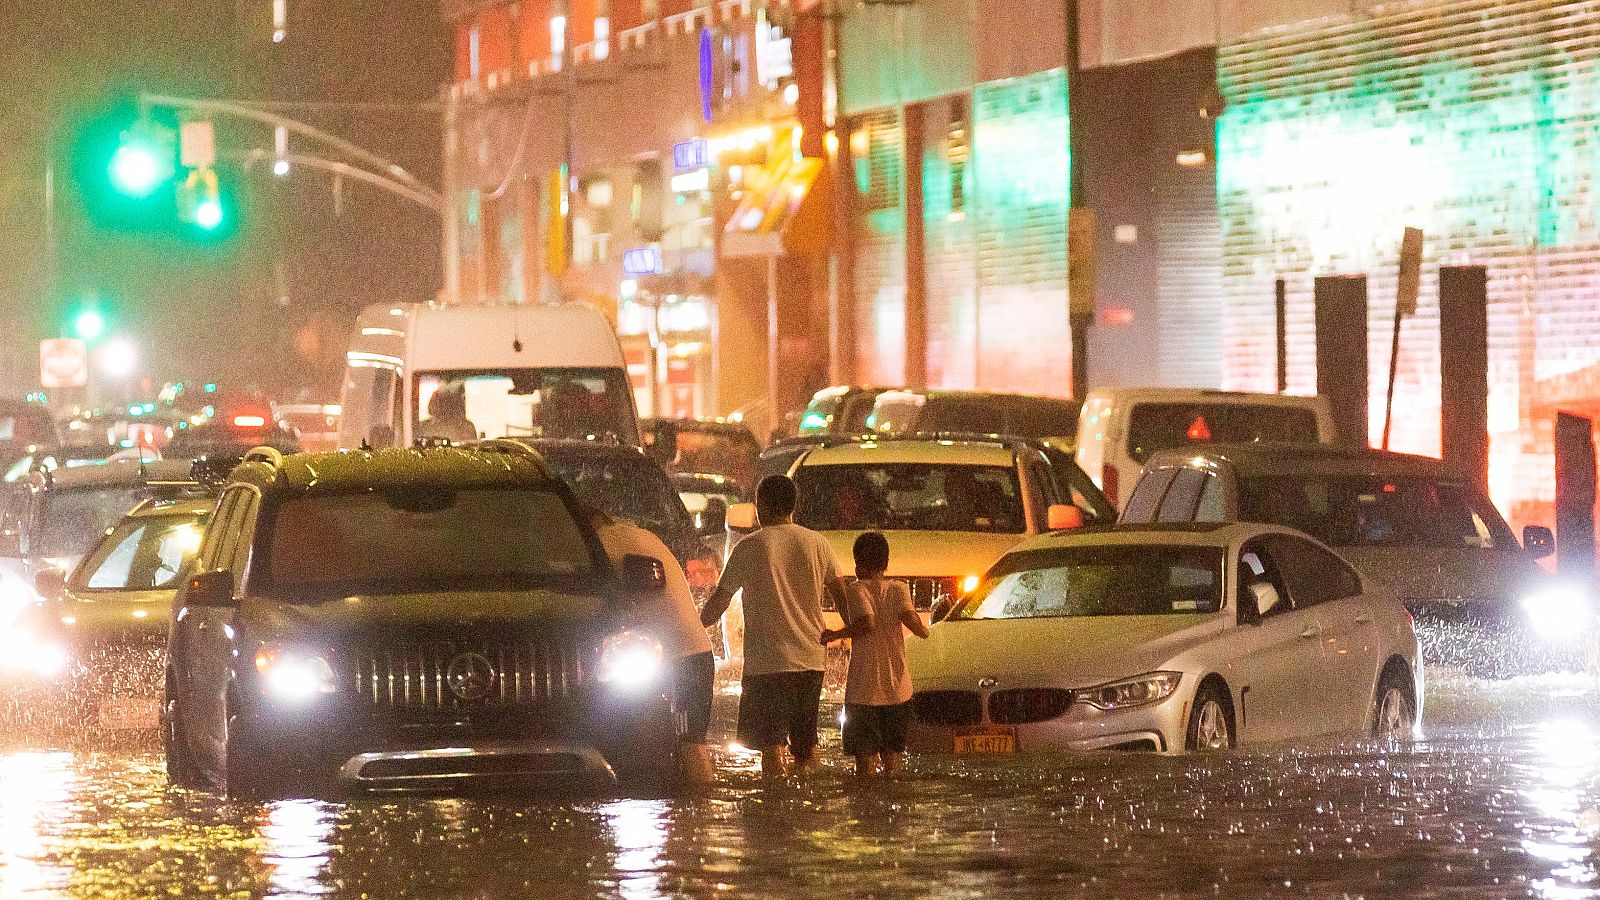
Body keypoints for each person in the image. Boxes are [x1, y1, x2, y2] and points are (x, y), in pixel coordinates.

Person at [701, 474, 847, 777]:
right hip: (811, 661)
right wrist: (855, 633)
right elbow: (842, 597)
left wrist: (693, 628)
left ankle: (775, 810)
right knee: (806, 746)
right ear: (793, 506)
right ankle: (809, 804)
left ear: (762, 506)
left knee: (771, 747)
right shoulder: (818, 544)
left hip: (768, 665)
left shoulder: (750, 546)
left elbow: (720, 600)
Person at [591, 509, 718, 785]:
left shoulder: (602, 543)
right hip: (689, 655)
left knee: (690, 744)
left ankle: (701, 807)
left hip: (682, 658)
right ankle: (691, 816)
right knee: (684, 744)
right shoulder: (641, 535)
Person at [821, 532, 930, 777]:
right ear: (886, 564)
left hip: (864, 693)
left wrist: (835, 634)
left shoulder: (857, 589)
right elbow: (916, 626)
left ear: (858, 565)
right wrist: (927, 628)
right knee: (893, 760)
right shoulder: (899, 589)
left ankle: (868, 812)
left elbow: (867, 624)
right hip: (898, 690)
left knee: (865, 766)